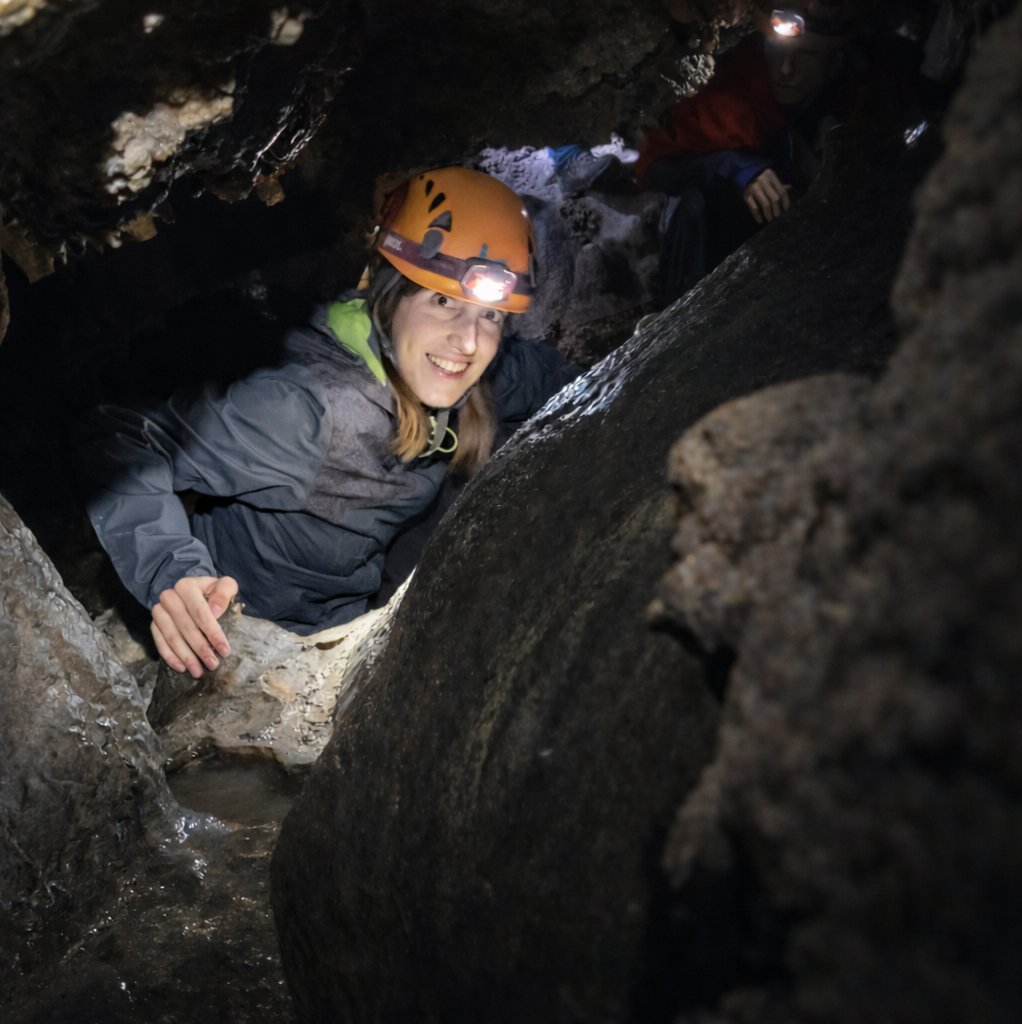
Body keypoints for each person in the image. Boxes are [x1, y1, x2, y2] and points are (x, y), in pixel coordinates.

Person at [78, 168, 579, 678]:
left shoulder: (474, 377)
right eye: (443, 301)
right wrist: (173, 572)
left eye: (490, 316)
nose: (468, 342)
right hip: (259, 643)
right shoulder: (308, 410)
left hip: (363, 605)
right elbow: (121, 434)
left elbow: (551, 378)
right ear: (391, 294)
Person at [637, 2, 885, 303]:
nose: (786, 69)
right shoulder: (732, 90)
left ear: (837, 59)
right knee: (695, 203)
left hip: (808, 248)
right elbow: (652, 168)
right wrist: (733, 166)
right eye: (776, 47)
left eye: (808, 54)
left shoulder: (863, 94)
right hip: (726, 235)